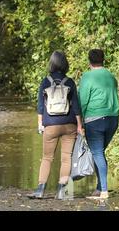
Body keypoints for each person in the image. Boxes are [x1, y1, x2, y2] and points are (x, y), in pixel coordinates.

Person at [28, 51, 83, 200]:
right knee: (66, 158)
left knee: (47, 158)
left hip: (50, 125)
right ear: (65, 64)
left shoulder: (45, 81)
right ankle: (61, 191)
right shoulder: (70, 82)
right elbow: (76, 106)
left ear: (51, 63)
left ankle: (40, 190)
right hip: (69, 125)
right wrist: (79, 125)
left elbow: (40, 106)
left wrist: (40, 123)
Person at [78, 49, 119, 200]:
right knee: (99, 152)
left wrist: (79, 122)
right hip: (113, 119)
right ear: (103, 60)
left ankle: (104, 192)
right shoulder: (110, 76)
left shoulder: (87, 76)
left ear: (89, 61)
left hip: (94, 119)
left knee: (97, 153)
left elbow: (82, 101)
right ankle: (99, 188)